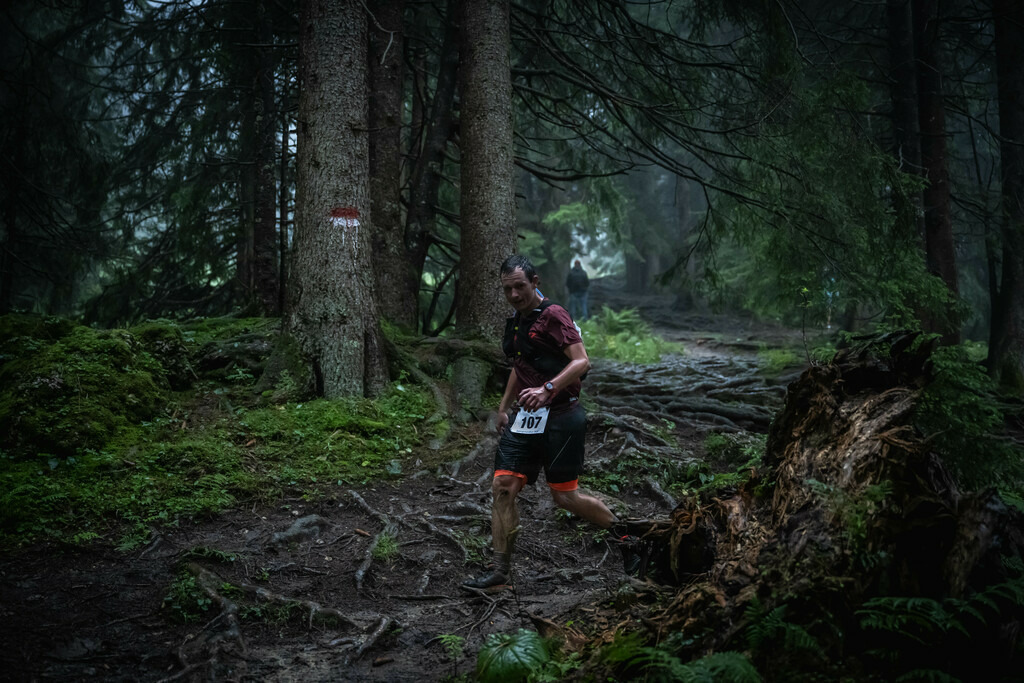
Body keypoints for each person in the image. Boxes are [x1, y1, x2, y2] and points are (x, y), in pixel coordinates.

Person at [463, 255, 633, 591]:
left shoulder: (554, 315)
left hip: (562, 416)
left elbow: (582, 361)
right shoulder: (514, 321)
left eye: (520, 287)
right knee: (502, 487)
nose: (514, 294)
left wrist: (548, 388)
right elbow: (519, 365)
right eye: (508, 289)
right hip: (526, 419)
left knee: (565, 498)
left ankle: (627, 536)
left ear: (535, 282)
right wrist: (503, 407)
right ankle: (500, 574)